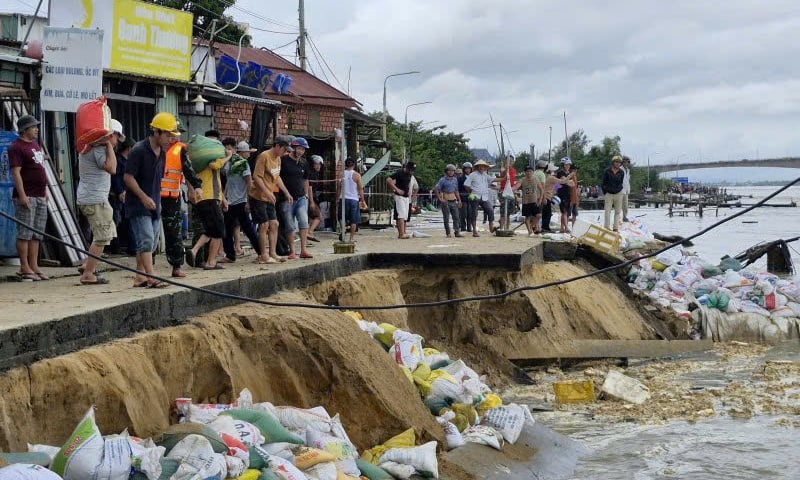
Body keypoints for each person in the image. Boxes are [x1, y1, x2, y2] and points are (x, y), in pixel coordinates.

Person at [124, 112, 179, 288]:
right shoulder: (139, 150)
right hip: (138, 204)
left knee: (150, 242)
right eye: (168, 134)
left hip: (154, 204)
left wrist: (158, 202)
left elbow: (157, 180)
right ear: (156, 132)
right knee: (146, 239)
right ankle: (151, 276)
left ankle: (139, 277)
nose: (170, 139)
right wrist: (143, 197)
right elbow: (128, 177)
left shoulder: (162, 153)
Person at [75, 119, 123, 285]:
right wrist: (109, 145)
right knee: (102, 237)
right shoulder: (98, 149)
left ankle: (87, 265)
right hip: (94, 199)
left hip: (94, 197)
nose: (117, 141)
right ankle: (88, 273)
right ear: (111, 135)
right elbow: (112, 168)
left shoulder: (91, 147)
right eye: (116, 137)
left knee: (104, 233)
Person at [9, 115, 48, 281]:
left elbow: (40, 169)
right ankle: (24, 266)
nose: (36, 129)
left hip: (40, 195)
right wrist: (23, 195)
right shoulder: (16, 147)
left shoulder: (35, 145)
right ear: (25, 129)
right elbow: (16, 172)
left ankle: (34, 265)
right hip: (27, 195)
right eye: (33, 127)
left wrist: (45, 191)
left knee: (36, 233)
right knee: (25, 232)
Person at [161, 134, 202, 277]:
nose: (174, 138)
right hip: (151, 196)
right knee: (151, 234)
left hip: (172, 198)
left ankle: (176, 265)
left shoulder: (180, 150)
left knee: (174, 233)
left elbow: (188, 170)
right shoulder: (151, 147)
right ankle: (146, 268)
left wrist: (196, 186)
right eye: (171, 134)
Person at [186, 135, 228, 270]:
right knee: (218, 231)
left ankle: (194, 250)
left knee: (210, 229)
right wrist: (228, 156)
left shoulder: (198, 163)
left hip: (202, 199)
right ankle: (211, 262)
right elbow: (216, 165)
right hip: (210, 197)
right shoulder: (210, 160)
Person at [249, 135, 292, 263]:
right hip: (258, 196)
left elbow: (276, 177)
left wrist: (286, 192)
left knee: (274, 224)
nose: (285, 152)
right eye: (284, 149)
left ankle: (273, 253)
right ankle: (263, 254)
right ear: (277, 146)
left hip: (270, 197)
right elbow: (257, 177)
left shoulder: (278, 159)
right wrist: (267, 192)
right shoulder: (264, 156)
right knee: (264, 225)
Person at [220, 139, 261, 263]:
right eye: (247, 152)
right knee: (229, 229)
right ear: (242, 152)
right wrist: (225, 197)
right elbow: (229, 182)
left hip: (240, 201)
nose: (249, 154)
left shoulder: (241, 163)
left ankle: (260, 252)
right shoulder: (233, 163)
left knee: (246, 228)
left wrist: (248, 201)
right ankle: (230, 255)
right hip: (232, 201)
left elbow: (249, 183)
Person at [279, 137, 313, 259]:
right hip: (286, 198)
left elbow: (305, 179)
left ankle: (304, 249)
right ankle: (292, 251)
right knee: (289, 224)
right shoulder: (283, 160)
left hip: (301, 198)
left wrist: (307, 195)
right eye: (299, 148)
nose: (300, 151)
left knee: (304, 222)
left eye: (303, 149)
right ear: (293, 148)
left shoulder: (304, 162)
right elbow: (277, 178)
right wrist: (285, 193)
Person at [109, 136, 135, 256]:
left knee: (127, 221)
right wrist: (120, 192)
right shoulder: (119, 160)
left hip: (126, 194)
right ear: (129, 149)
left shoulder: (127, 162)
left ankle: (129, 247)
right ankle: (115, 247)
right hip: (117, 195)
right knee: (116, 221)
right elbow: (116, 178)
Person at [463, 159, 495, 236]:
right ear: (477, 167)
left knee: (490, 210)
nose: (481, 168)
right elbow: (466, 185)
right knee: (474, 213)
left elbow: (493, 179)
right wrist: (471, 192)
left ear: (485, 168)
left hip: (484, 196)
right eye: (480, 166)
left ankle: (491, 226)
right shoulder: (473, 175)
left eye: (483, 167)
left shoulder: (485, 175)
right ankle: (474, 230)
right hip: (475, 195)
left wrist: (504, 178)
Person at [387, 161, 415, 239]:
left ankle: (403, 232)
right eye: (410, 169)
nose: (411, 171)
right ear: (407, 168)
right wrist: (396, 189)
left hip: (406, 196)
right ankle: (401, 234)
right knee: (401, 215)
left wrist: (410, 190)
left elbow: (408, 183)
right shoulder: (399, 173)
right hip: (399, 196)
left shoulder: (410, 174)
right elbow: (388, 180)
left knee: (405, 215)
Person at [513, 165, 544, 235]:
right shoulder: (522, 180)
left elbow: (541, 189)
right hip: (526, 201)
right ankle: (529, 231)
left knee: (538, 215)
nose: (529, 173)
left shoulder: (536, 179)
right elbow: (516, 186)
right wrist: (511, 189)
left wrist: (540, 199)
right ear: (525, 172)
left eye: (530, 171)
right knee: (528, 217)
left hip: (534, 201)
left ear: (532, 172)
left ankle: (532, 226)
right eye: (527, 171)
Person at [434, 164, 463, 238]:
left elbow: (456, 190)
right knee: (446, 218)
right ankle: (448, 232)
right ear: (446, 171)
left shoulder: (455, 179)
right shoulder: (442, 180)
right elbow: (436, 189)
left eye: (452, 171)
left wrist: (459, 200)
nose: (451, 172)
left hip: (453, 200)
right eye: (449, 170)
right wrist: (440, 199)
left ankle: (457, 231)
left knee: (456, 217)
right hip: (446, 200)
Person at [341, 157, 364, 242]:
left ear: (345, 165)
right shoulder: (357, 175)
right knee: (354, 220)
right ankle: (351, 238)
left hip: (343, 198)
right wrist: (362, 200)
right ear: (354, 165)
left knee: (342, 217)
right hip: (354, 199)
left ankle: (343, 232)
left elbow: (338, 187)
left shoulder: (341, 174)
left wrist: (337, 198)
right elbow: (360, 188)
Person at [602, 155, 626, 231]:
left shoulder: (621, 172)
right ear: (613, 162)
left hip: (618, 193)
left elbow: (621, 182)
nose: (617, 164)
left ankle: (615, 228)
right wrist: (605, 192)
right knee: (607, 211)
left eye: (619, 162)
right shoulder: (607, 171)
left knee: (618, 211)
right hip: (609, 193)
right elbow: (603, 183)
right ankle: (606, 227)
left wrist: (620, 191)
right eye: (616, 162)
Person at [306, 155, 324, 241]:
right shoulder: (311, 174)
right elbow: (309, 188)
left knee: (311, 218)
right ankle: (310, 231)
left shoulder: (315, 174)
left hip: (311, 198)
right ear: (313, 165)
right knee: (319, 217)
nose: (318, 166)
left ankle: (309, 234)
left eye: (319, 164)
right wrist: (312, 202)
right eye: (317, 164)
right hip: (310, 198)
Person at [555, 157, 574, 233]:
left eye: (568, 165)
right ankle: (566, 227)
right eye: (566, 165)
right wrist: (568, 180)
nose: (568, 166)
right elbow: (564, 181)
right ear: (563, 165)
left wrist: (568, 181)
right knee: (564, 212)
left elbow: (572, 184)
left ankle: (562, 227)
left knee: (567, 212)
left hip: (568, 194)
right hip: (562, 194)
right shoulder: (560, 173)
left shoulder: (568, 173)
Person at [498, 155, 517, 230]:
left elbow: (513, 182)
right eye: (509, 161)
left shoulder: (514, 170)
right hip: (503, 191)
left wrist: (514, 193)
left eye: (511, 161)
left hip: (511, 191)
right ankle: (501, 228)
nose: (510, 163)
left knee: (509, 212)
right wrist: (506, 168)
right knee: (503, 211)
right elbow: (502, 173)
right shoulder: (503, 169)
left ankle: (507, 228)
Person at [458, 162, 474, 233]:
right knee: (463, 213)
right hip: (463, 197)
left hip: (471, 197)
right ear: (464, 169)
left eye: (469, 169)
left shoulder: (473, 178)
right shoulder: (460, 178)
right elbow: (458, 189)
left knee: (470, 213)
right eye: (466, 169)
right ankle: (463, 227)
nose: (467, 170)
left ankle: (469, 227)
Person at [568, 164, 580, 230]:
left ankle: (573, 228)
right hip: (571, 198)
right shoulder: (569, 176)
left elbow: (575, 188)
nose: (575, 170)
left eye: (576, 169)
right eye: (574, 169)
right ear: (571, 169)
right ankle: (566, 227)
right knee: (567, 214)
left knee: (574, 214)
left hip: (575, 198)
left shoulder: (575, 176)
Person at [621, 156, 632, 222]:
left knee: (625, 205)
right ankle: (619, 217)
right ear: (623, 162)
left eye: (628, 162)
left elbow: (627, 181)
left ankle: (624, 217)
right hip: (620, 190)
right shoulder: (620, 169)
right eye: (625, 162)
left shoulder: (628, 170)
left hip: (626, 190)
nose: (626, 163)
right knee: (619, 205)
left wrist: (628, 189)